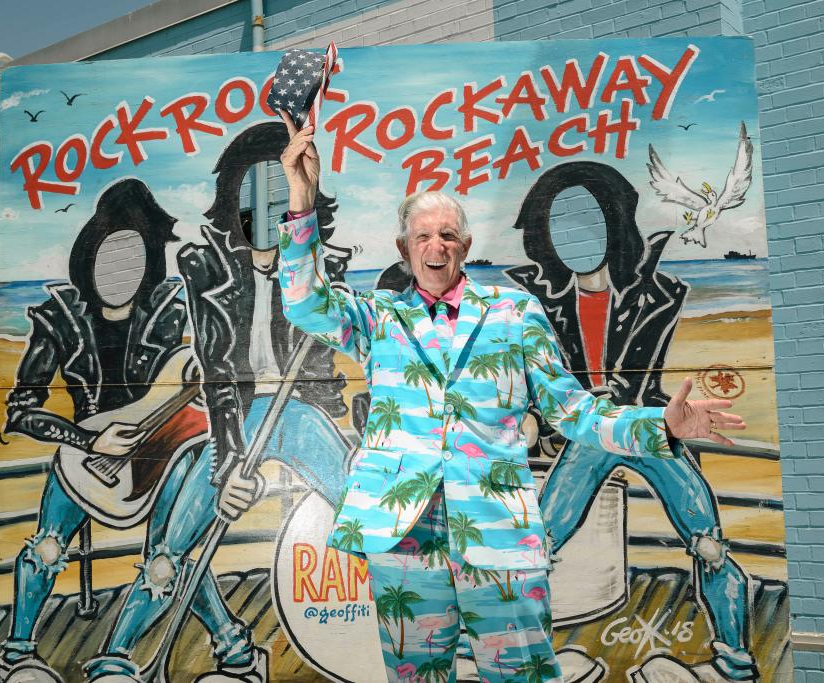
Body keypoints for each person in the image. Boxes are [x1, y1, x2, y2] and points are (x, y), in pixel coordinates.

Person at [261, 110, 747, 683]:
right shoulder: (378, 318)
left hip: (498, 535)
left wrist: (659, 427)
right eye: (423, 236)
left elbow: (574, 410)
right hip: (403, 536)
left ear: (464, 246)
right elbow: (302, 300)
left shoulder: (514, 315)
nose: (435, 246)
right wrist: (300, 200)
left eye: (447, 235)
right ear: (404, 247)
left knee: (519, 674)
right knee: (414, 675)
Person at [85, 122, 353, 683]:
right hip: (234, 419)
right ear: (232, 202)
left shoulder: (320, 267)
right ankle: (122, 656)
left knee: (362, 509)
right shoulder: (204, 270)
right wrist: (230, 465)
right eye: (253, 197)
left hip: (301, 414)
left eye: (281, 196)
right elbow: (217, 376)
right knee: (172, 543)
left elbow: (336, 354)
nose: (267, 212)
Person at [509, 164, 758, 682]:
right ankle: (525, 658)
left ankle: (733, 666)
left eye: (588, 220)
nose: (575, 237)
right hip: (587, 434)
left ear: (614, 221)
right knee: (538, 547)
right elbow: (536, 383)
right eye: (560, 225)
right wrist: (536, 422)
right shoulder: (534, 306)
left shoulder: (657, 293)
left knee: (709, 545)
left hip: (647, 426)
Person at [0, 179, 198, 683]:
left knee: (166, 561)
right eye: (109, 257)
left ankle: (141, 660)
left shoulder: (170, 308)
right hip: (83, 457)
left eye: (134, 259)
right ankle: (16, 655)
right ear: (88, 255)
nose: (119, 272)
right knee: (44, 547)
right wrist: (86, 440)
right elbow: (21, 408)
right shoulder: (60, 318)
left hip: (157, 454)